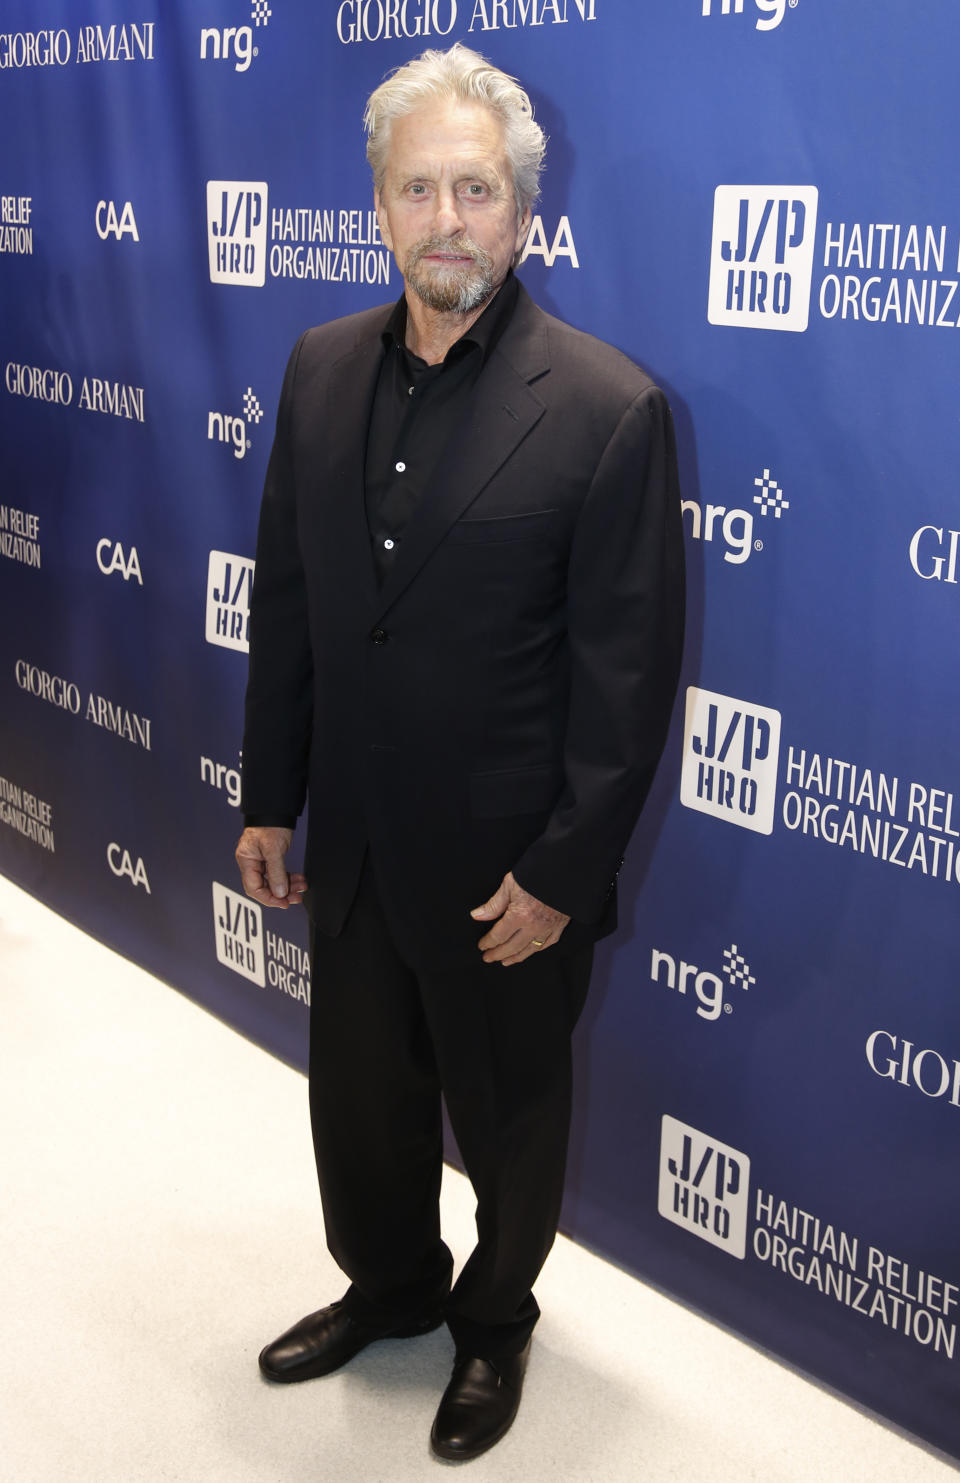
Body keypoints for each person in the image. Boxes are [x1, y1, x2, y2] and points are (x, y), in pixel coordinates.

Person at [235, 42, 684, 1462]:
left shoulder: (609, 411)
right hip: (356, 849)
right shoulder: (313, 374)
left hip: (506, 881)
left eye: (475, 189)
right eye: (418, 187)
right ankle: (389, 1285)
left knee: (507, 1118)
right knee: (360, 1104)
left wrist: (561, 873)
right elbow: (292, 606)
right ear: (376, 206)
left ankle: (495, 1325)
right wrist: (268, 795)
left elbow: (627, 681)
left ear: (523, 213)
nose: (447, 218)